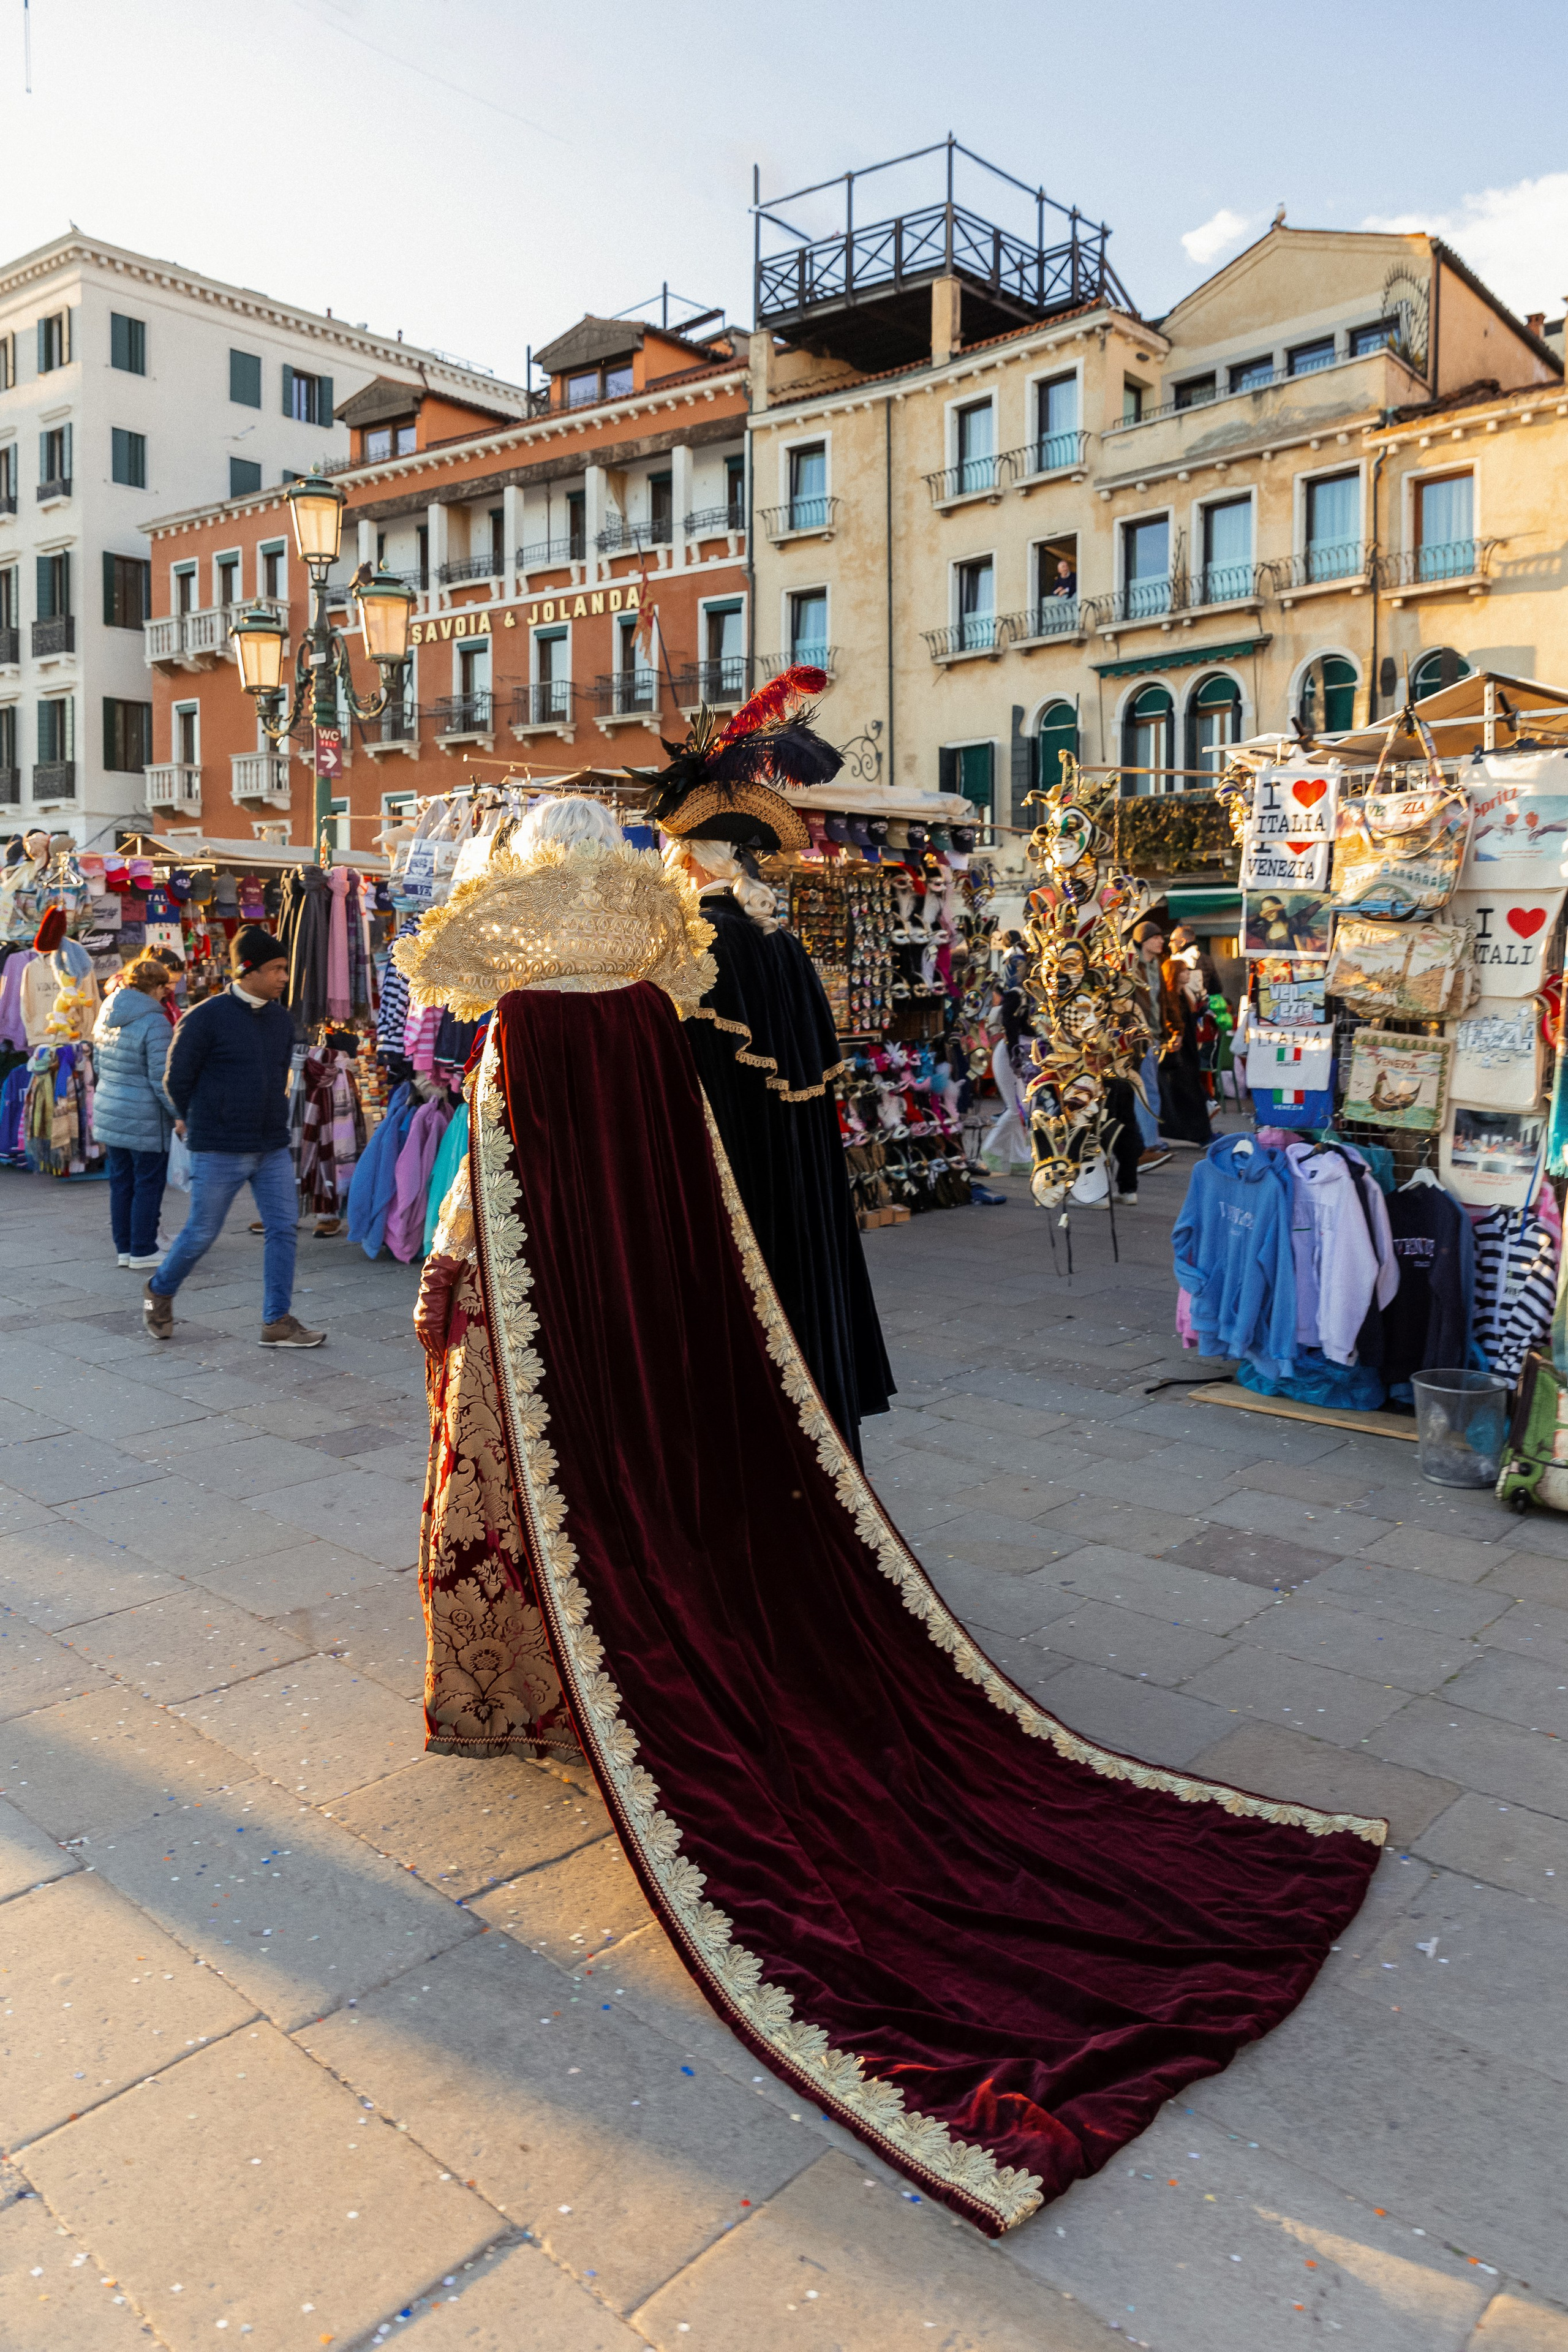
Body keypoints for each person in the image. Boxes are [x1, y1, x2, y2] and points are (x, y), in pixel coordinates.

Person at [399, 794, 1383, 2239]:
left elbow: (486, 1224)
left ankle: (550, 1683)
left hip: (582, 1344)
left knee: (604, 1525)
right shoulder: (647, 1021)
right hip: (695, 1327)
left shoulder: (531, 1041)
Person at [142, 925, 325, 1347]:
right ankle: (159, 1291)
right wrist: (194, 1119)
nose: (284, 977)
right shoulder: (204, 1018)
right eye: (276, 969)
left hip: (271, 1145)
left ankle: (276, 1321)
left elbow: (280, 1074)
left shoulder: (281, 1019)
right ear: (247, 970)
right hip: (219, 1147)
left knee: (283, 1228)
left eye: (285, 968)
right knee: (202, 1232)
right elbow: (176, 1081)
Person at [92, 954, 178, 1268]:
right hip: (144, 1117)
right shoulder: (155, 1021)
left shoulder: (107, 1010)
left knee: (121, 1181)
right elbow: (161, 1078)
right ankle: (143, 1249)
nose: (166, 994)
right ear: (154, 987)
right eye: (165, 988)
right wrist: (179, 1114)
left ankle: (125, 1249)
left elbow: (98, 1063)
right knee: (147, 1182)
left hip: (109, 1108)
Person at [1156, 952, 1216, 1145]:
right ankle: (1200, 1135)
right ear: (1174, 973)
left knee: (1189, 1093)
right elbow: (1171, 1021)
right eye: (1183, 970)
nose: (1187, 973)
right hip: (1178, 1051)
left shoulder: (1184, 994)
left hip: (1188, 1050)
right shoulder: (1170, 996)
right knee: (1187, 1094)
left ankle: (1199, 1134)